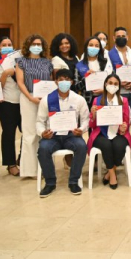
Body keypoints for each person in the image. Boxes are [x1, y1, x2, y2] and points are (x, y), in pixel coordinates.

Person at [36, 69, 89, 197]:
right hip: (52, 136)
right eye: (60, 80)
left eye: (67, 79)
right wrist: (43, 133)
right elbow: (39, 121)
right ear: (55, 82)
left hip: (71, 135)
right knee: (43, 149)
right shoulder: (46, 100)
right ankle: (50, 183)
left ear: (71, 82)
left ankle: (73, 181)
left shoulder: (79, 99)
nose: (64, 82)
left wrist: (81, 130)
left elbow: (86, 120)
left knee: (81, 146)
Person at [15, 34, 53, 178]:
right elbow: (20, 82)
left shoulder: (47, 62)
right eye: (34, 44)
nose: (36, 46)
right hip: (28, 98)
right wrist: (31, 97)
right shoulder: (21, 62)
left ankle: (44, 168)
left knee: (44, 132)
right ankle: (29, 171)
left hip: (45, 99)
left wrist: (46, 98)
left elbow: (49, 82)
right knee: (30, 133)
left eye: (39, 44)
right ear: (28, 45)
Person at [88, 74, 131, 189]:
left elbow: (126, 122)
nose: (113, 86)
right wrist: (93, 115)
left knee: (119, 145)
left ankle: (108, 172)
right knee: (106, 145)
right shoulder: (97, 100)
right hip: (100, 133)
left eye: (116, 84)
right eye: (110, 83)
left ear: (119, 86)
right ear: (105, 84)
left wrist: (123, 127)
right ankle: (112, 175)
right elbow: (91, 125)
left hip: (118, 133)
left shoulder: (124, 101)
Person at [0, 37, 22, 176]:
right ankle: (11, 164)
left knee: (27, 131)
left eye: (10, 44)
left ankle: (23, 158)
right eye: (4, 45)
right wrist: (5, 74)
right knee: (9, 133)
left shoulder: (18, 60)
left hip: (22, 100)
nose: (7, 46)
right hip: (7, 103)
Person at [76, 36, 113, 106]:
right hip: (87, 100)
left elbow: (113, 81)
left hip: (104, 98)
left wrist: (105, 90)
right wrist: (86, 78)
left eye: (96, 46)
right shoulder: (79, 65)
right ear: (86, 47)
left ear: (100, 48)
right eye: (91, 45)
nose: (93, 48)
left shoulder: (106, 63)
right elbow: (76, 87)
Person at [109, 27, 131, 110]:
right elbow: (108, 74)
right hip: (118, 92)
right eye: (118, 36)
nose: (121, 38)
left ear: (127, 37)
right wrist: (119, 83)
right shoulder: (109, 54)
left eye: (123, 36)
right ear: (114, 38)